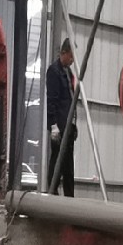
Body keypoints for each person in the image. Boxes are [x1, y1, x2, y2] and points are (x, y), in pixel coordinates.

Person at [46, 38, 77, 196]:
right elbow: (52, 101)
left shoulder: (68, 72)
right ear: (63, 53)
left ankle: (69, 198)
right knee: (57, 162)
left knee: (68, 167)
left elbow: (71, 99)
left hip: (68, 127)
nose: (72, 60)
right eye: (71, 57)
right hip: (59, 127)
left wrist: (74, 124)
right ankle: (52, 194)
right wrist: (53, 126)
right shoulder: (54, 71)